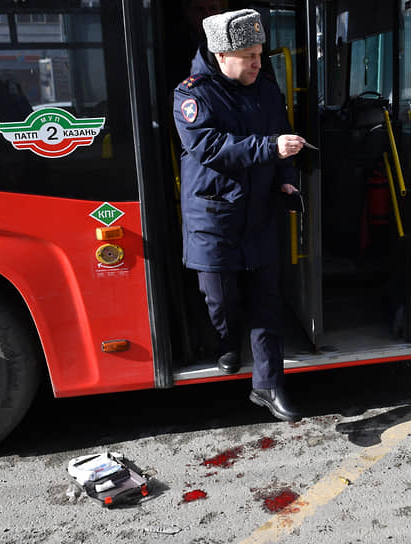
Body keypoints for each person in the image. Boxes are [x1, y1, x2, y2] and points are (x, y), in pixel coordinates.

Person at [173, 9, 307, 422]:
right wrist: (270, 149)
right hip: (215, 219)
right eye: (248, 55)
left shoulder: (266, 89)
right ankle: (226, 341)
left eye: (259, 53)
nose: (257, 62)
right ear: (220, 54)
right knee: (222, 300)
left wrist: (285, 176)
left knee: (267, 302)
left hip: (261, 213)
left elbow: (282, 135)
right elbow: (211, 148)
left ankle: (268, 386)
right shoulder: (191, 95)